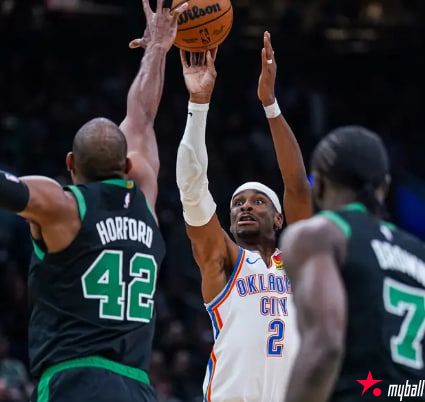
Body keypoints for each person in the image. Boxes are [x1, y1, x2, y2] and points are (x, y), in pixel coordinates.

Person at [0, 1, 188, 401]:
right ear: (127, 165)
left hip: (75, 381)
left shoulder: (64, 207)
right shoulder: (145, 198)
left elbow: (9, 189)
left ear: (70, 164)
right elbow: (141, 117)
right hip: (137, 386)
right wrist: (157, 50)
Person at [176, 32, 312, 401]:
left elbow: (297, 187)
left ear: (279, 219)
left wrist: (270, 105)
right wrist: (198, 104)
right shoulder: (223, 260)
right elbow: (192, 188)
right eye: (237, 203)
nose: (245, 207)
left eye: (258, 202)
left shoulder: (299, 263)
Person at [281, 126, 425, 402]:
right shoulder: (419, 251)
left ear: (318, 185)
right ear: (384, 186)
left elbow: (326, 345)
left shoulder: (321, 234)